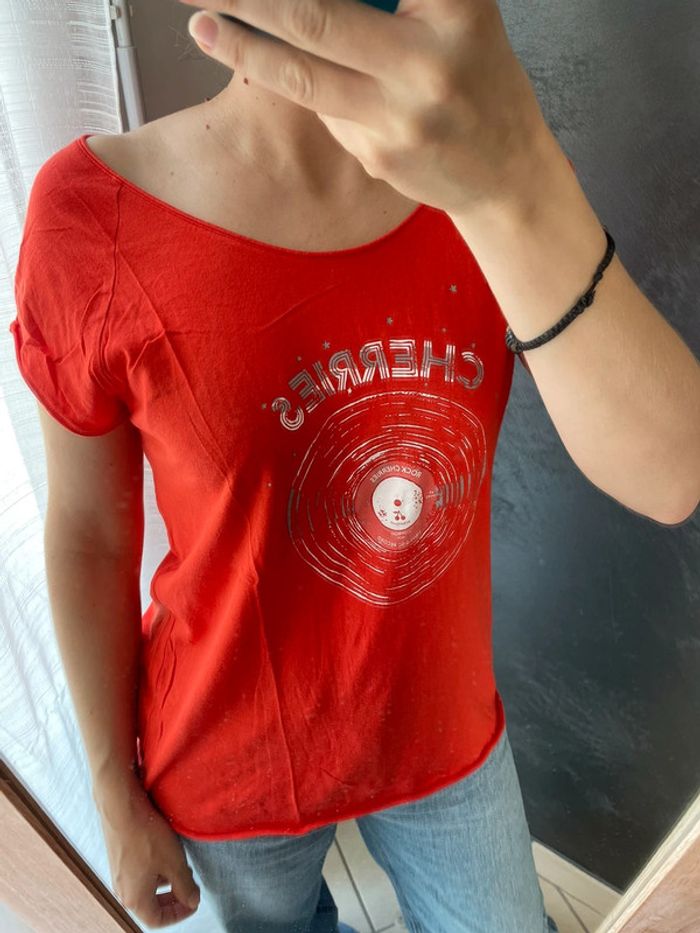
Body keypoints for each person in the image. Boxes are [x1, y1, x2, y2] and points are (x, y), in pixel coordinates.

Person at [8, 2, 595, 932]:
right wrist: (115, 797)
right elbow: (88, 534)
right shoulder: (90, 217)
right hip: (230, 764)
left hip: (443, 731)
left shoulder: (493, 180)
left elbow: (639, 447)